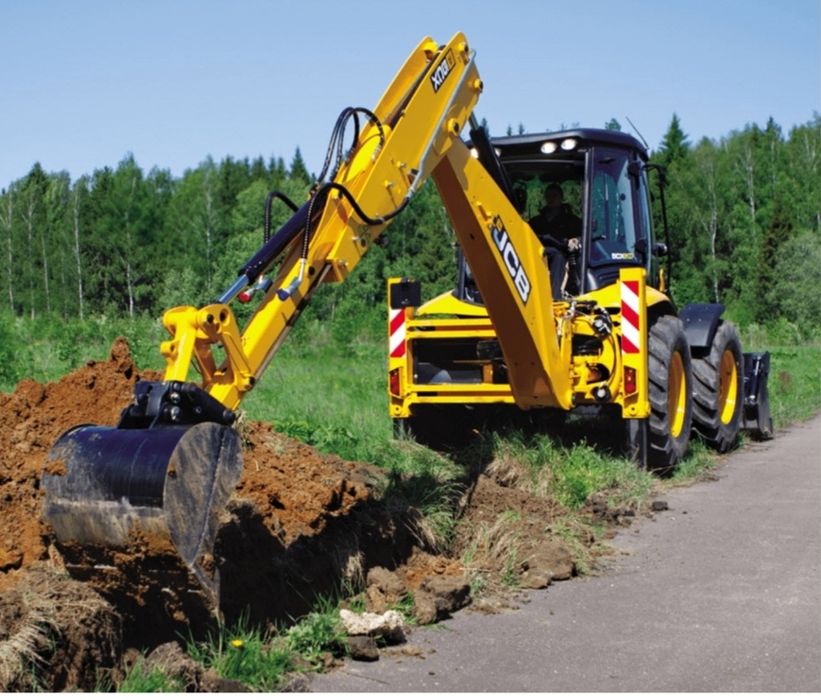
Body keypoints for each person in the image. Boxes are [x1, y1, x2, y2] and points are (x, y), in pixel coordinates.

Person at [529, 183, 582, 299]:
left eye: (554, 196)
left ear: (561, 198)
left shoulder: (571, 220)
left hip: (561, 254)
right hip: (537, 252)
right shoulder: (536, 221)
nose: (551, 199)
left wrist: (575, 240)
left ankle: (555, 297)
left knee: (558, 257)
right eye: (548, 196)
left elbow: (581, 236)